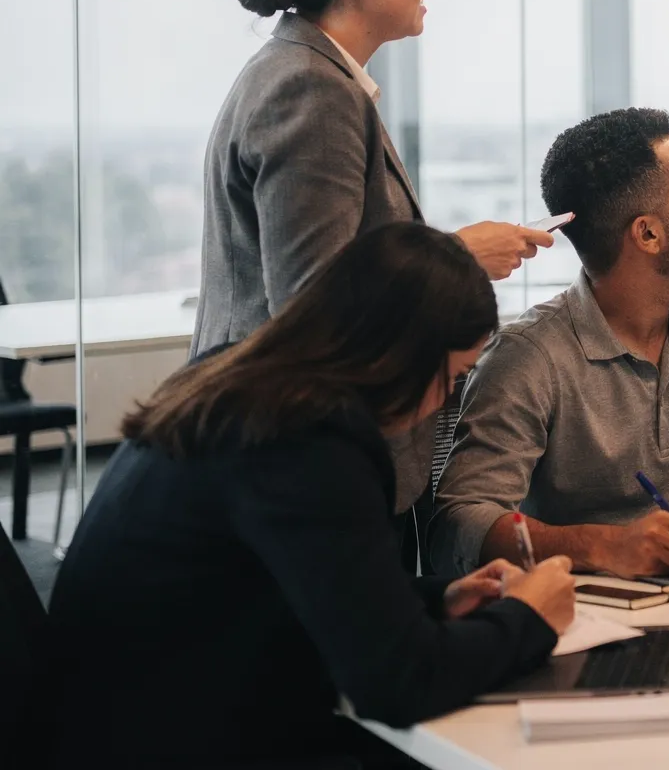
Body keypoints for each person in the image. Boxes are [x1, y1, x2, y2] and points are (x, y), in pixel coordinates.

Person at [48, 223, 576, 767]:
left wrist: (438, 598)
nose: (443, 403)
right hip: (174, 737)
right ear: (405, 356)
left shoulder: (240, 380)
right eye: (453, 376)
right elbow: (398, 682)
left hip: (121, 716)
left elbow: (303, 578)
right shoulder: (307, 440)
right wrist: (530, 619)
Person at [197, 0, 555, 515]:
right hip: (294, 458)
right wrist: (456, 258)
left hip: (288, 448)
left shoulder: (312, 74)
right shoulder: (310, 87)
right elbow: (313, 301)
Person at [430, 109, 669, 579]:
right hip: (577, 624)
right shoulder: (527, 356)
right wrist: (600, 545)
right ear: (648, 233)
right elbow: (458, 526)